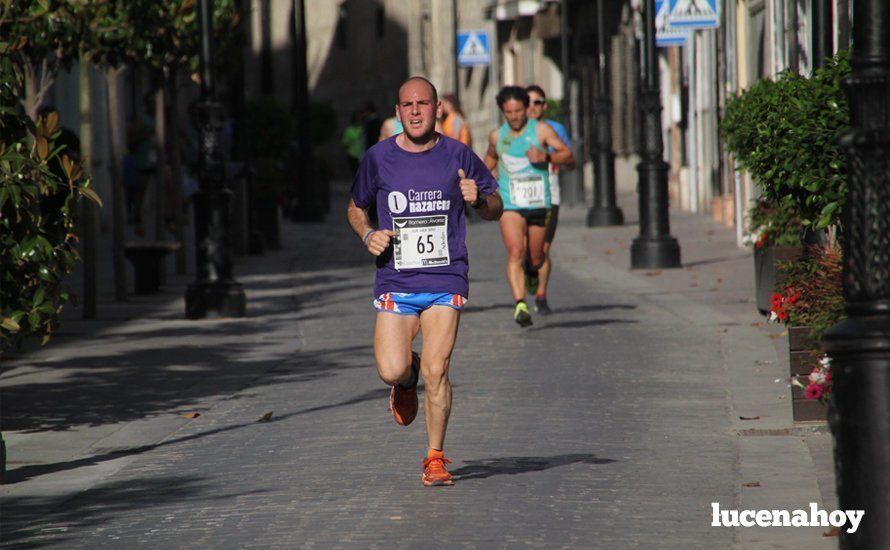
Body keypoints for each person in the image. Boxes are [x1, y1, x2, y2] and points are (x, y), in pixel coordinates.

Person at [347, 76, 502, 486]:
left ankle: (435, 457)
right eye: (407, 105)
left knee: (439, 370)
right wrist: (368, 234)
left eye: (423, 104)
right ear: (397, 112)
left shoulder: (459, 154)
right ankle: (406, 377)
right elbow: (355, 208)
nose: (415, 111)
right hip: (395, 278)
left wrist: (479, 198)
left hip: (445, 275)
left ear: (437, 109)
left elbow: (495, 207)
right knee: (390, 368)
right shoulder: (378, 159)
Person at [483, 86, 572, 327]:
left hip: (537, 202)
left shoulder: (541, 130)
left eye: (518, 111)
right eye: (508, 112)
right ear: (503, 111)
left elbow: (568, 156)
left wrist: (547, 157)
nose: (514, 116)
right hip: (510, 203)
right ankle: (520, 304)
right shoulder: (496, 136)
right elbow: (488, 162)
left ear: (526, 108)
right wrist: (481, 181)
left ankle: (532, 270)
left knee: (536, 256)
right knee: (514, 251)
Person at [524, 84, 576, 314]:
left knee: (542, 248)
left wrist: (547, 156)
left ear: (544, 106)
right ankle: (530, 269)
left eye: (537, 102)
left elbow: (571, 162)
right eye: (528, 102)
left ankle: (541, 295)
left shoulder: (555, 129)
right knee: (524, 249)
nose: (532, 107)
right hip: (519, 198)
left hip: (548, 195)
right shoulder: (512, 129)